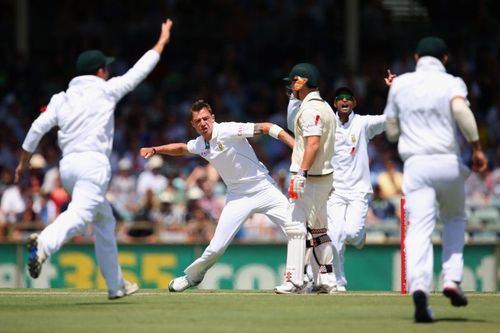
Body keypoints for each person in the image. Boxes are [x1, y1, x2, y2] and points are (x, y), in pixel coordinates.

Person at [14, 19, 174, 300]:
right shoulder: (107, 89)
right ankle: (43, 245)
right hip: (93, 165)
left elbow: (37, 128)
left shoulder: (61, 98)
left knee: (104, 221)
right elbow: (140, 70)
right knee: (81, 215)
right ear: (101, 71)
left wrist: (22, 163)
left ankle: (116, 285)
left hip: (68, 168)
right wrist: (162, 41)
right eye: (106, 68)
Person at [383, 36, 488, 322]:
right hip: (447, 162)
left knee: (419, 229)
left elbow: (391, 130)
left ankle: (419, 287)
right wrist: (477, 148)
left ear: (416, 58)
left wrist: (405, 128)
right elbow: (460, 111)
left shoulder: (400, 84)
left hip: (416, 164)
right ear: (444, 59)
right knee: (454, 218)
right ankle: (452, 279)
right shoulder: (452, 82)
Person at [140, 99, 295, 292]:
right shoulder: (200, 144)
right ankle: (191, 278)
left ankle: (305, 278)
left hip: (264, 188)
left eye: (206, 118)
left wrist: (296, 146)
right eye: (198, 121)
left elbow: (267, 127)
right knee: (216, 247)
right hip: (237, 196)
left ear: (213, 118)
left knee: (297, 231)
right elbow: (180, 148)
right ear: (193, 125)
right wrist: (155, 149)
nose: (203, 123)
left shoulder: (229, 130)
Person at [274, 63, 337, 294]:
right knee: (319, 230)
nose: (291, 87)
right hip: (323, 176)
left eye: (293, 82)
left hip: (309, 177)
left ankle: (294, 280)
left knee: (295, 226)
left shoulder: (310, 110)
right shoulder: (326, 107)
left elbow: (313, 143)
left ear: (302, 81)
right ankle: (327, 280)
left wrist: (301, 173)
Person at [326, 86, 387, 292]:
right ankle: (338, 281)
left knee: (351, 233)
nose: (344, 102)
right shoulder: (327, 123)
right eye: (340, 99)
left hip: (358, 190)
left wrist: (395, 90)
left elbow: (390, 119)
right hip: (334, 190)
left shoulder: (362, 124)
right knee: (334, 235)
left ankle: (359, 237)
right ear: (335, 103)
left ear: (354, 103)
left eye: (348, 99)